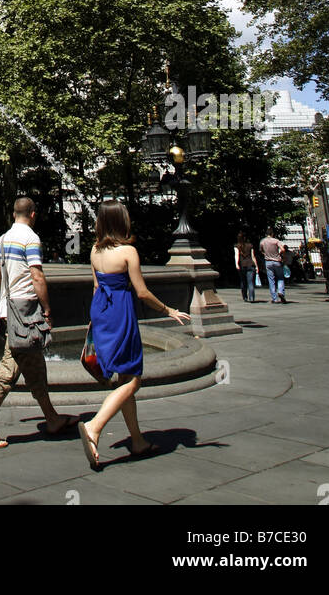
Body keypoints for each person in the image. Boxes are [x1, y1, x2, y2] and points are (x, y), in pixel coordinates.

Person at [78, 201, 191, 470]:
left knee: (123, 377)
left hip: (101, 313)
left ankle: (137, 440)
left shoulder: (94, 251)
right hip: (121, 314)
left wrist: (92, 322)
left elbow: (96, 288)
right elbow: (141, 292)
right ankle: (95, 426)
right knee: (134, 379)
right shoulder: (129, 252)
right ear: (122, 222)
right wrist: (168, 309)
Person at [0, 196, 76, 448]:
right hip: (26, 310)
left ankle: (51, 418)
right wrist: (48, 308)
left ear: (13, 214)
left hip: (10, 308)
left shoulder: (2, 240)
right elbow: (36, 275)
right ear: (32, 214)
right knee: (10, 368)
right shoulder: (31, 238)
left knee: (34, 366)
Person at [259, 228, 287, 303]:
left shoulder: (262, 241)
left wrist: (265, 254)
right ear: (272, 234)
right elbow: (283, 249)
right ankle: (281, 291)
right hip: (277, 261)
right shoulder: (276, 241)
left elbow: (261, 250)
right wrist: (280, 254)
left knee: (271, 280)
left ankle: (274, 298)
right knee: (280, 278)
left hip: (268, 262)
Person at [235, 230, 257, 303]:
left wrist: (237, 264)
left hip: (242, 265)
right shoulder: (250, 245)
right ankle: (252, 298)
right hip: (250, 264)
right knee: (250, 282)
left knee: (243, 282)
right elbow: (253, 256)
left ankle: (245, 297)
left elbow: (236, 255)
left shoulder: (237, 246)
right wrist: (256, 266)